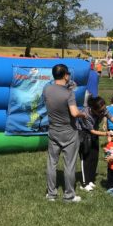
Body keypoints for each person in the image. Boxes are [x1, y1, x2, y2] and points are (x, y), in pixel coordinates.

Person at [43, 64, 86, 202]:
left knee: (52, 163)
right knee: (69, 164)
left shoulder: (46, 89)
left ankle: (51, 194)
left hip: (53, 130)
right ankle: (69, 195)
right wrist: (83, 114)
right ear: (66, 75)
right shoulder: (69, 94)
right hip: (69, 132)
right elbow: (74, 112)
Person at [77, 96, 113, 191]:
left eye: (104, 109)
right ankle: (85, 184)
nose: (103, 112)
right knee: (86, 159)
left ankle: (90, 180)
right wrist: (106, 133)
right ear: (93, 109)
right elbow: (91, 131)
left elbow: (112, 118)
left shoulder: (103, 109)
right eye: (100, 111)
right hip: (83, 135)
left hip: (94, 133)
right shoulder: (85, 114)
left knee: (94, 157)